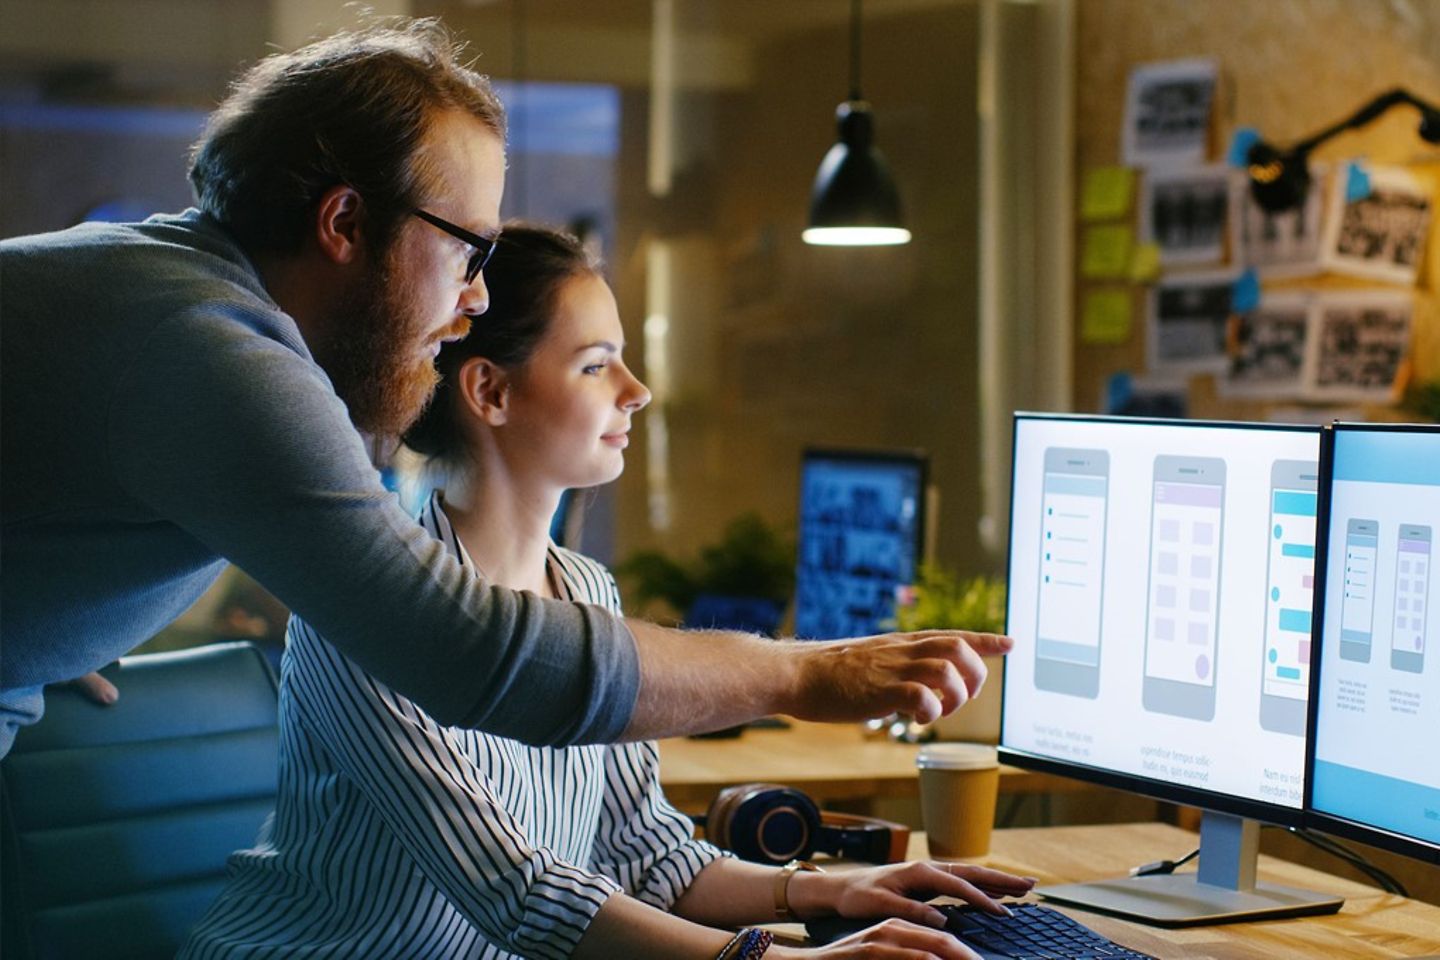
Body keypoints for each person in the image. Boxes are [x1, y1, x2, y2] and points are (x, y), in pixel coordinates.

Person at [0, 19, 1011, 760]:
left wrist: (56, 623)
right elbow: (472, 655)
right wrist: (808, 673)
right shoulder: (215, 354)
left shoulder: (164, 297)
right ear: (346, 225)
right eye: (467, 249)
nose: (475, 298)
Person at [180, 224, 1034, 960]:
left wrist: (834, 892)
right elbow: (516, 890)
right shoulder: (363, 615)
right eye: (597, 366)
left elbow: (646, 854)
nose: (639, 391)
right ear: (490, 391)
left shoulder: (586, 591)